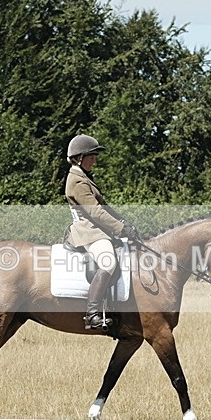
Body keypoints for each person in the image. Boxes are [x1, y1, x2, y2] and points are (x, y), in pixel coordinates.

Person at [64, 134, 141, 330]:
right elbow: (95, 212)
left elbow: (104, 207)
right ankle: (92, 313)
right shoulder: (77, 181)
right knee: (109, 262)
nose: (95, 160)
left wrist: (123, 222)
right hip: (88, 231)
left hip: (97, 229)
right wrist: (120, 228)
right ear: (79, 157)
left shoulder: (84, 177)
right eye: (92, 156)